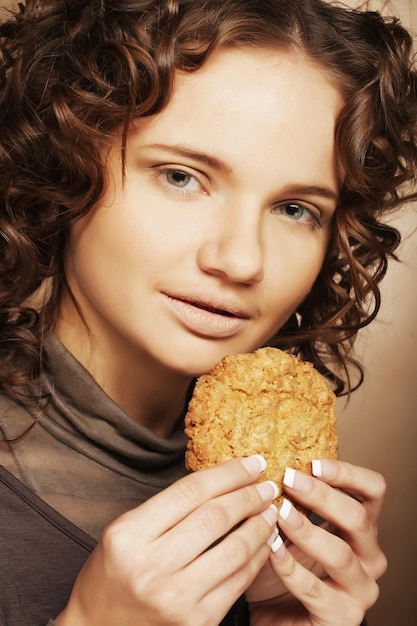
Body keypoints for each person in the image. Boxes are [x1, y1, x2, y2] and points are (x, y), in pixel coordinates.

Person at [0, 0, 416, 624]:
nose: (242, 259)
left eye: (295, 209)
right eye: (181, 177)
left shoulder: (293, 513)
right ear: (68, 158)